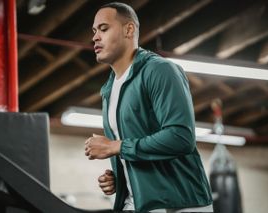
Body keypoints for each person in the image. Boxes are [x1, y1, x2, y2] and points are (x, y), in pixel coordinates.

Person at [84, 2, 213, 213]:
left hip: (179, 205)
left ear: (129, 29)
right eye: (94, 31)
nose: (95, 37)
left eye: (104, 28)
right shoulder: (109, 89)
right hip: (136, 205)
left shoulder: (160, 70)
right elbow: (138, 149)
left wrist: (115, 147)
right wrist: (120, 177)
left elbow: (181, 137)